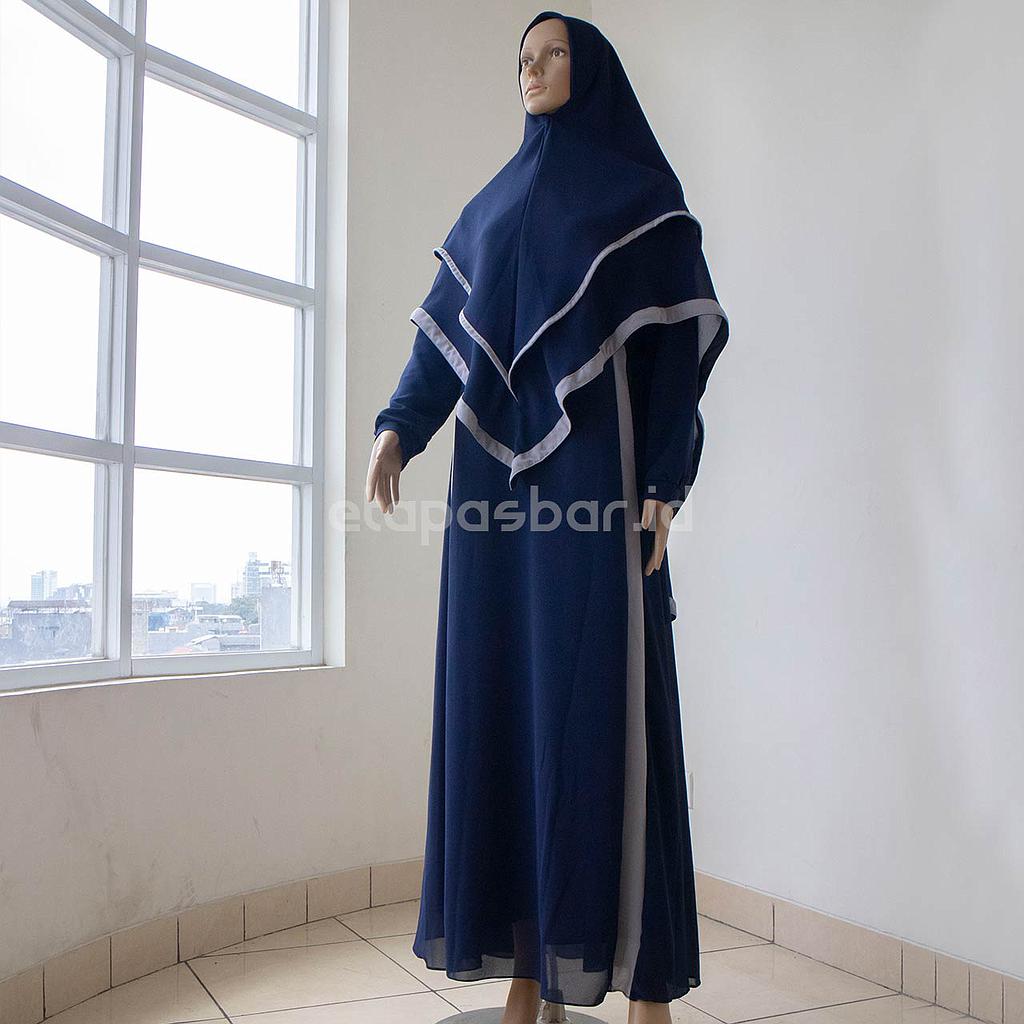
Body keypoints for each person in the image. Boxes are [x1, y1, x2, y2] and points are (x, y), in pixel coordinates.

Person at [366, 11, 729, 1024]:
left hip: (595, 482)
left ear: (591, 67)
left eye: (551, 53)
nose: (531, 69)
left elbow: (672, 359)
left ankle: (647, 986)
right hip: (490, 503)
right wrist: (398, 426)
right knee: (505, 707)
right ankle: (529, 973)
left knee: (607, 709)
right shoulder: (488, 208)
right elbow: (443, 341)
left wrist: (665, 479)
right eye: (521, 59)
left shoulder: (638, 200)